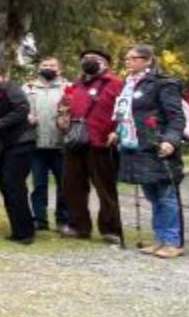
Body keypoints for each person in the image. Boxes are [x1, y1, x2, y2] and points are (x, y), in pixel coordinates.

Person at [115, 45, 185, 258]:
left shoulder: (163, 83)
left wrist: (171, 140)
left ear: (147, 61)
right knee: (153, 196)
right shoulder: (126, 85)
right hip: (137, 146)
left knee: (166, 195)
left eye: (133, 58)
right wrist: (117, 132)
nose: (128, 62)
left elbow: (176, 116)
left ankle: (173, 241)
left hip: (158, 145)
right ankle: (160, 239)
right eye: (126, 58)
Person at [60, 48, 124, 243]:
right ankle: (79, 226)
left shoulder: (116, 84)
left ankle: (110, 229)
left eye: (94, 59)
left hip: (102, 142)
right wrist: (62, 119)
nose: (89, 62)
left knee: (105, 189)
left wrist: (118, 131)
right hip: (75, 141)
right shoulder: (75, 85)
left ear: (105, 63)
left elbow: (124, 111)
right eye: (85, 59)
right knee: (73, 187)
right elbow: (63, 108)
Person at [0, 63, 36, 244]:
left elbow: (22, 109)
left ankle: (25, 233)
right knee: (6, 187)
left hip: (19, 143)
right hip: (1, 147)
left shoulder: (11, 87)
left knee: (14, 185)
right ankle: (18, 229)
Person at [26, 57, 70, 232]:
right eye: (44, 65)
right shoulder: (28, 87)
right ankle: (39, 219)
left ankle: (63, 220)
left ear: (59, 69)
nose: (48, 68)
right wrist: (26, 117)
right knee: (39, 185)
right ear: (38, 69)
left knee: (64, 185)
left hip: (61, 144)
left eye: (52, 65)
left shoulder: (68, 87)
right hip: (36, 144)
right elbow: (19, 109)